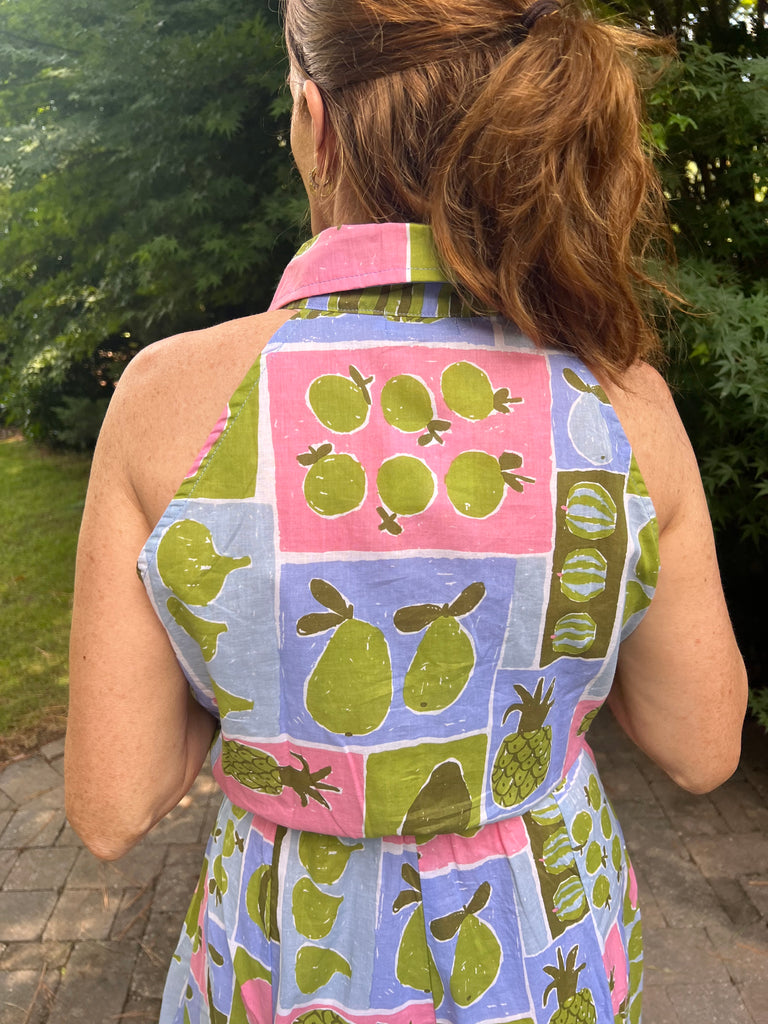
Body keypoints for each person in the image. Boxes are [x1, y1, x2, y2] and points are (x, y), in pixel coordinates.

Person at [65, 0, 747, 1021]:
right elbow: (702, 746)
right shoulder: (622, 403)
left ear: (314, 120)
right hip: (547, 958)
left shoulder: (168, 398)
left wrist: (250, 666)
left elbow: (113, 804)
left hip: (285, 961)